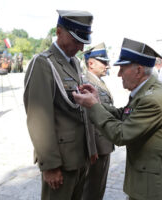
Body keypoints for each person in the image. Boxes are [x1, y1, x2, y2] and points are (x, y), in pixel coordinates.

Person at [73, 38, 162, 200]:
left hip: (148, 180)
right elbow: (124, 114)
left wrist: (93, 106)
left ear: (139, 70)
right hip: (143, 174)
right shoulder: (145, 91)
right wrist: (98, 102)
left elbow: (121, 135)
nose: (119, 74)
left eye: (122, 68)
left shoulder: (152, 99)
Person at [23, 10, 96, 200]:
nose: (80, 47)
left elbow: (82, 112)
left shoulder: (74, 63)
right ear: (58, 31)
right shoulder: (43, 64)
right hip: (61, 163)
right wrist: (50, 165)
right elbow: (39, 119)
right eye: (76, 40)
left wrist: (91, 148)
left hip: (79, 157)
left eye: (83, 41)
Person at [82, 43, 114, 200]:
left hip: (103, 143)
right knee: (92, 190)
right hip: (96, 147)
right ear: (91, 63)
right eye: (104, 62)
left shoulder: (97, 81)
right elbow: (87, 117)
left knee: (98, 188)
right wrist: (92, 149)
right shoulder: (87, 82)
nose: (107, 66)